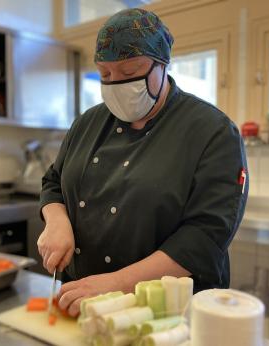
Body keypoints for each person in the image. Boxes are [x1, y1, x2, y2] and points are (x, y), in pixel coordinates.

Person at [38, 8, 248, 317]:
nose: (115, 84)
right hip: (82, 304)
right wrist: (57, 222)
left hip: (168, 315)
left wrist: (116, 283)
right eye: (105, 74)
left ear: (162, 66)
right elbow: (53, 181)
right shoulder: (87, 123)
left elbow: (205, 236)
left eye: (130, 72)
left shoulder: (213, 132)